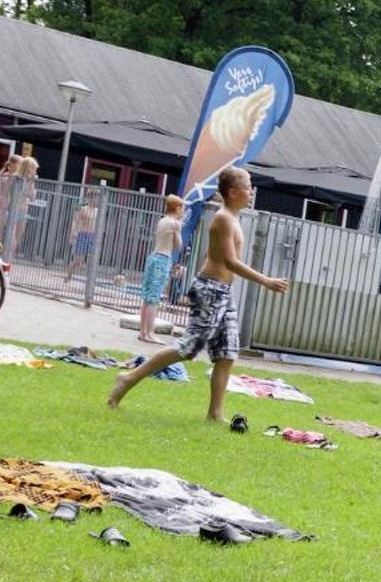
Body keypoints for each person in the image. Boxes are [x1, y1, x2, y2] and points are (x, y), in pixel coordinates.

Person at [107, 167, 288, 422]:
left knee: (227, 353)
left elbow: (211, 255)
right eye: (248, 187)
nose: (252, 192)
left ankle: (215, 414)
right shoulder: (223, 218)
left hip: (222, 292)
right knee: (188, 347)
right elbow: (230, 261)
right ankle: (129, 377)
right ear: (234, 192)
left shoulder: (232, 218)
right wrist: (265, 280)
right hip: (212, 290)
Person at [135, 193, 184, 345]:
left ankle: (142, 332)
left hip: (153, 257)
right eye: (182, 208)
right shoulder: (175, 224)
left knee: (147, 296)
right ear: (177, 208)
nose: (183, 211)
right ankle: (150, 333)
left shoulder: (162, 221)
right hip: (163, 259)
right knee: (154, 298)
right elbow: (178, 245)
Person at [63, 188, 101, 289]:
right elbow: (75, 221)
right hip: (83, 234)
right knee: (77, 259)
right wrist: (74, 232)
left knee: (91, 260)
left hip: (92, 236)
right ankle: (68, 276)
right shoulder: (83, 209)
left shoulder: (97, 211)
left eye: (97, 198)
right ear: (89, 198)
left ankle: (90, 281)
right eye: (94, 198)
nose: (95, 201)